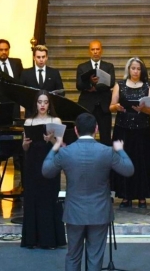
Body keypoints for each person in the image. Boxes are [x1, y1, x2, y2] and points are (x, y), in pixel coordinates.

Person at [42, 113, 134, 271]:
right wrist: (120, 150)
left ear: (76, 130)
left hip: (74, 212)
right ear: (96, 129)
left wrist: (54, 148)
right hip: (99, 211)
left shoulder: (66, 152)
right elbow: (128, 170)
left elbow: (46, 171)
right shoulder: (107, 151)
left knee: (73, 255)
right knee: (95, 257)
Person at [109, 57, 150, 208]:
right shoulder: (120, 85)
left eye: (138, 68)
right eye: (133, 68)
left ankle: (142, 196)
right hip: (123, 128)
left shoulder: (149, 86)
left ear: (142, 70)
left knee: (141, 161)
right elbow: (111, 106)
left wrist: (142, 109)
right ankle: (125, 196)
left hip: (141, 129)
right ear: (128, 69)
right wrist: (117, 107)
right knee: (123, 160)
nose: (135, 71)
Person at [21, 90, 66, 249]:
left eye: (45, 102)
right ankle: (32, 239)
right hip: (32, 164)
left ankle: (50, 240)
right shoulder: (29, 122)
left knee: (49, 198)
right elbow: (25, 148)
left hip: (50, 162)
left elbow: (61, 145)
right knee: (32, 198)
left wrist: (51, 138)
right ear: (36, 104)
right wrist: (25, 143)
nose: (42, 105)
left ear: (49, 104)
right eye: (40, 102)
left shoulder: (56, 120)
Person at [76, 40, 115, 146]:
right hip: (87, 106)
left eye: (97, 49)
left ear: (101, 50)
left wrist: (95, 87)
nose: (95, 52)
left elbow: (111, 83)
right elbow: (79, 85)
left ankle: (105, 160)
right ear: (89, 51)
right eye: (93, 49)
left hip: (104, 106)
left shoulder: (109, 66)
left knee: (106, 137)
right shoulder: (82, 67)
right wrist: (89, 84)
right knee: (86, 136)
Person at [20, 45, 64, 117]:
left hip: (50, 112)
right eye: (38, 57)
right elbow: (21, 93)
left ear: (47, 57)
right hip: (31, 112)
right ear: (34, 57)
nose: (41, 59)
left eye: (43, 57)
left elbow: (61, 92)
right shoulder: (26, 73)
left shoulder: (54, 73)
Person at [0, 39, 23, 118]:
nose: (4, 52)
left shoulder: (16, 62)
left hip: (14, 102)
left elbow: (21, 81)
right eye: (1, 50)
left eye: (6, 50)